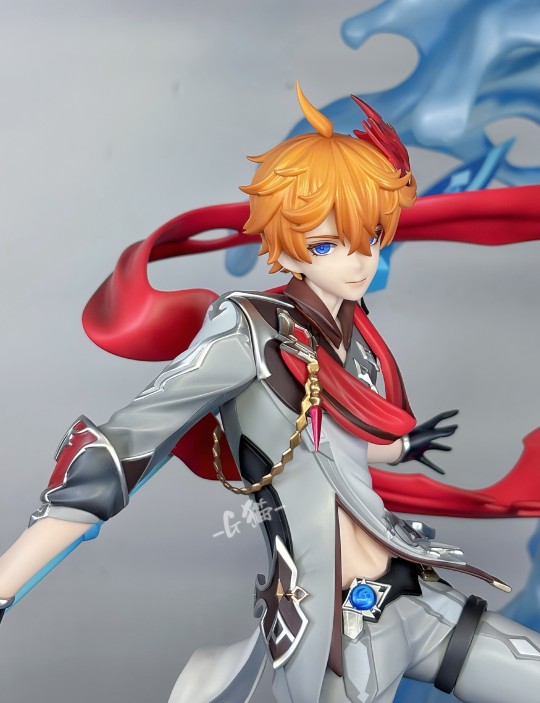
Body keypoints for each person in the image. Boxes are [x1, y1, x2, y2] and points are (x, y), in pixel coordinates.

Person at [1, 84, 539, 703]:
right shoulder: (249, 329)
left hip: (417, 593)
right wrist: (6, 582)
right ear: (288, 245)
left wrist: (398, 448)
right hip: (338, 632)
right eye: (328, 244)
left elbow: (334, 448)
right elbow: (116, 455)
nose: (358, 262)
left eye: (370, 238)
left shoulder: (359, 340)